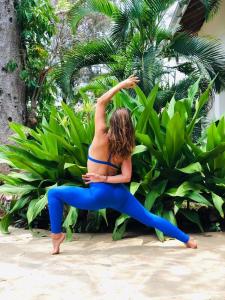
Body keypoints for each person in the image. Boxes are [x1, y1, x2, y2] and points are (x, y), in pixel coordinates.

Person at [47, 75, 197, 254]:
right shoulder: (126, 148)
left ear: (112, 122)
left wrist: (122, 84)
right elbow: (126, 177)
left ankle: (56, 237)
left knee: (54, 193)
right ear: (129, 127)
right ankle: (187, 240)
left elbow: (102, 102)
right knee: (149, 218)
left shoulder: (100, 135)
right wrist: (106, 177)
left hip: (98, 195)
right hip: (119, 195)